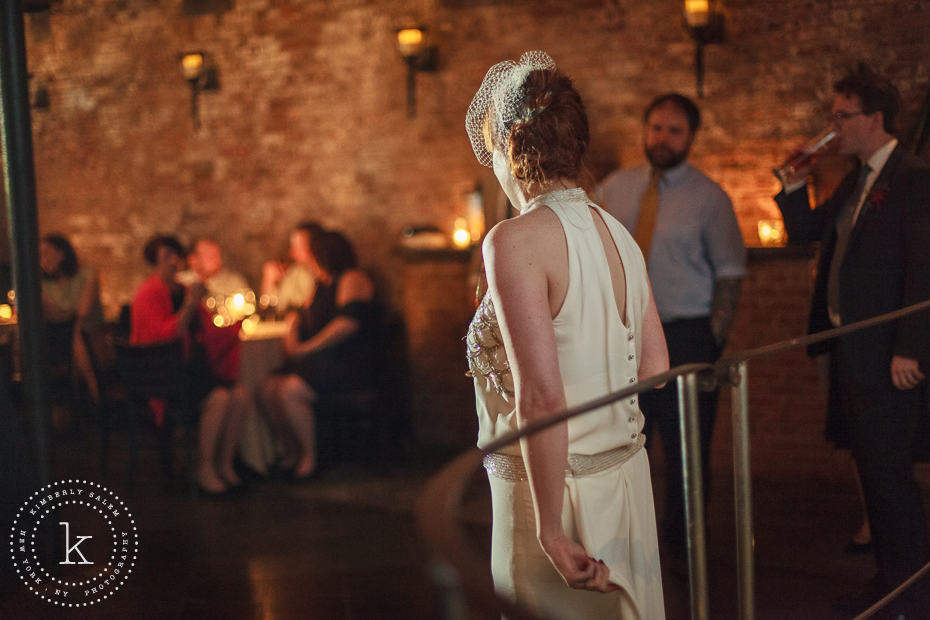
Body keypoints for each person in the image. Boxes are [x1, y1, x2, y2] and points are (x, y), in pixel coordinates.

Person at [464, 51, 669, 618]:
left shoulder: (513, 240)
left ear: (511, 148)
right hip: (624, 480)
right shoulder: (618, 232)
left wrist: (551, 529)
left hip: (550, 491)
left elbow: (543, 395)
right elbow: (655, 370)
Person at [774, 66, 930, 615]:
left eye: (842, 117)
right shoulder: (857, 179)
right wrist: (795, 183)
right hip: (851, 351)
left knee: (890, 474)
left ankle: (911, 591)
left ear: (875, 119)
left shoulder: (912, 179)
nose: (834, 128)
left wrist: (911, 347)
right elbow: (807, 234)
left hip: (888, 354)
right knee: (870, 467)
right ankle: (890, 581)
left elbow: (923, 268)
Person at [596, 93, 746, 558]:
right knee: (620, 440)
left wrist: (712, 339)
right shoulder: (614, 189)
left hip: (686, 334)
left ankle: (685, 548)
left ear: (691, 138)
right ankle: (626, 543)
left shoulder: (710, 198)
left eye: (674, 131)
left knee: (688, 451)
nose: (663, 139)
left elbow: (730, 273)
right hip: (622, 336)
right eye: (656, 127)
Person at [131, 235, 246, 496]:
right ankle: (203, 468)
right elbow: (165, 337)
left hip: (188, 370)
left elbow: (209, 330)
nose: (172, 263)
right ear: (154, 263)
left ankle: (224, 465)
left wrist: (236, 326)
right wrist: (190, 305)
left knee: (239, 395)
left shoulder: (182, 291)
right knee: (218, 398)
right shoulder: (149, 294)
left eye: (175, 256)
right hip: (160, 375)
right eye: (165, 258)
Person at [260, 230, 376, 481]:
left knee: (290, 389)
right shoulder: (319, 284)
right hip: (324, 361)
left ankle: (310, 458)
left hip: (349, 362)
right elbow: (302, 316)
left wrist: (306, 348)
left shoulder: (351, 278)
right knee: (268, 388)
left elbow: (347, 324)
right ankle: (290, 452)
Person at [40, 234, 105, 406]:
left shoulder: (86, 272)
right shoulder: (43, 283)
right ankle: (91, 396)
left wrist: (71, 325)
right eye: (39, 255)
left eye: (46, 253)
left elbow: (83, 311)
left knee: (77, 336)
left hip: (87, 330)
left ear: (61, 254)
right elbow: (51, 314)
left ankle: (91, 392)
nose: (42, 259)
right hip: (61, 332)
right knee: (70, 338)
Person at [260, 222, 323, 316]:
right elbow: (274, 307)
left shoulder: (324, 276)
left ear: (314, 246)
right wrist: (269, 280)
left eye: (298, 247)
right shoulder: (296, 272)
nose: (292, 253)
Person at [180, 237, 250, 296]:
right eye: (209, 256)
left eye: (217, 254)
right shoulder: (181, 282)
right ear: (193, 260)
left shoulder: (234, 283)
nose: (216, 259)